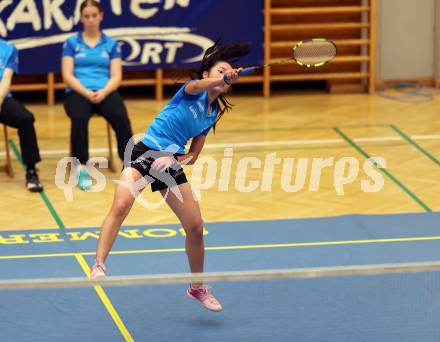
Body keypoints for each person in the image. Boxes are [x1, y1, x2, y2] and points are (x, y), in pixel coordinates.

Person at [90, 40, 250, 312]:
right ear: (206, 75)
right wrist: (220, 78)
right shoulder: (190, 91)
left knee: (196, 227)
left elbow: (194, 155)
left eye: (228, 72)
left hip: (167, 162)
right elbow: (197, 87)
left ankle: (197, 287)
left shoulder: (212, 114)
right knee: (121, 205)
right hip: (146, 151)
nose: (225, 75)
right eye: (219, 70)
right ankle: (99, 265)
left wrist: (174, 159)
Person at [62, 0, 133, 190]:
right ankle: (81, 168)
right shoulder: (71, 43)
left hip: (105, 91)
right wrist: (86, 92)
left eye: (94, 15)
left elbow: (117, 76)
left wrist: (103, 92)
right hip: (78, 92)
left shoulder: (111, 44)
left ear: (101, 16)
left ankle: (130, 167)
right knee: (79, 117)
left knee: (120, 116)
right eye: (87, 16)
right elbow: (67, 75)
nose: (91, 20)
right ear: (81, 18)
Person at [0, 39, 43, 192]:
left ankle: (31, 171)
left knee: (25, 119)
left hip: (3, 98)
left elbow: (6, 79)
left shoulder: (8, 49)